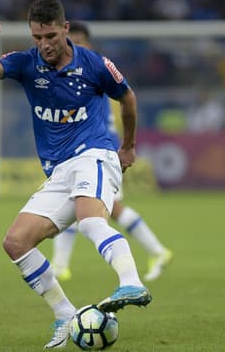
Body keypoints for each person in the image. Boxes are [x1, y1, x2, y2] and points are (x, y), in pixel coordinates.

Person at [0, 0, 151, 349]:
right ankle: (64, 312)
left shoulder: (95, 64)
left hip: (94, 154)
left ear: (66, 28)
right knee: (15, 242)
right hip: (58, 172)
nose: (44, 44)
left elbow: (127, 98)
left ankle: (132, 281)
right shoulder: (27, 62)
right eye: (37, 37)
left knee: (89, 220)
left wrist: (128, 146)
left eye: (50, 35)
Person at [51, 21, 173, 283]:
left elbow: (125, 99)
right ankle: (60, 265)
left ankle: (156, 252)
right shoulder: (73, 75)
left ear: (89, 44)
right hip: (86, 152)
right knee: (84, 206)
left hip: (100, 152)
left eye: (80, 42)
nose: (75, 47)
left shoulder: (93, 71)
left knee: (104, 209)